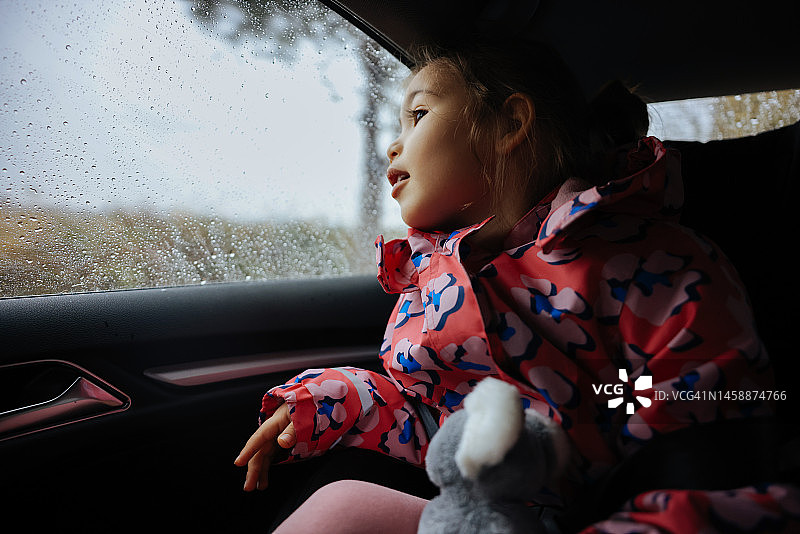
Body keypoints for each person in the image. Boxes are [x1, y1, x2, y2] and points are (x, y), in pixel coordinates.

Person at [235, 39, 798, 533]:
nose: (393, 145)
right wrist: (340, 401)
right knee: (343, 509)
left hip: (613, 512)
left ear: (510, 125)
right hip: (487, 513)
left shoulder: (652, 264)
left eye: (419, 114)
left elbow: (708, 443)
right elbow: (447, 433)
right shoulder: (435, 279)